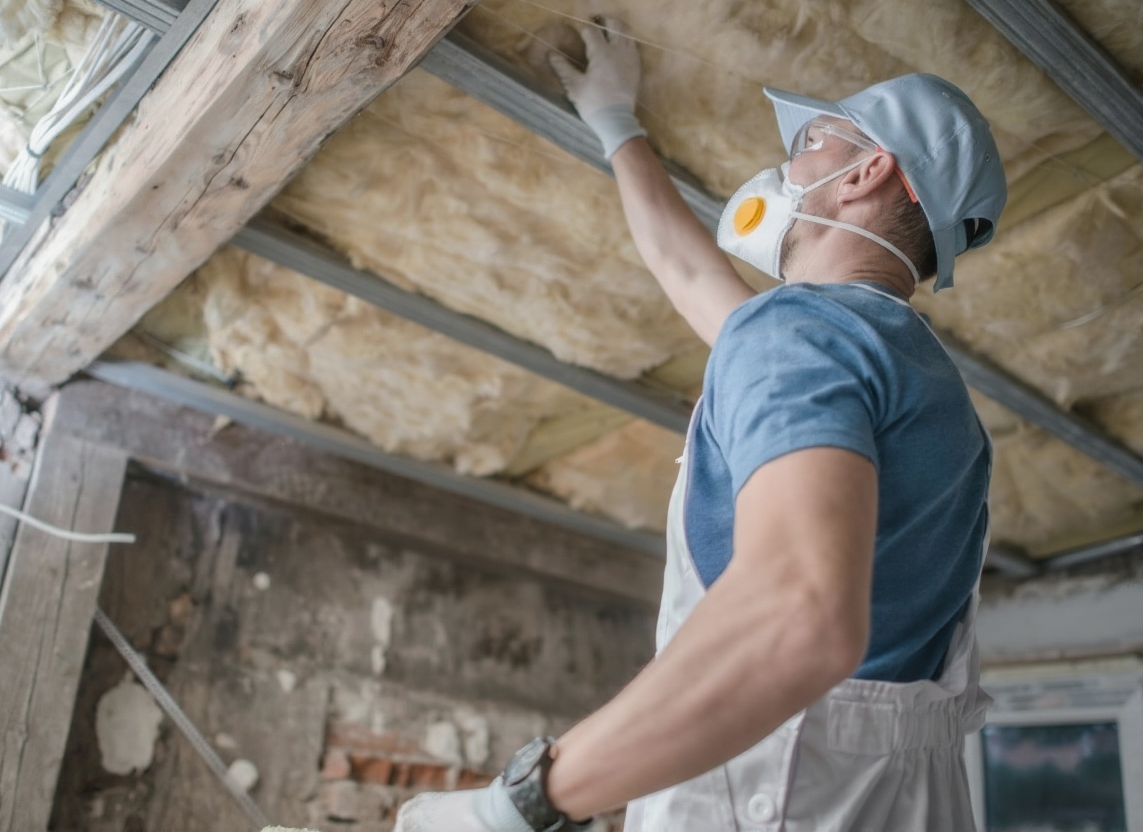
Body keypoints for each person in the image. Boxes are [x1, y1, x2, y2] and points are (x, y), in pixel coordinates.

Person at [395, 16, 1007, 832]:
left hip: (778, 794)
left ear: (867, 172)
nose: (787, 161)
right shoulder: (929, 393)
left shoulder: (800, 334)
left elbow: (798, 620)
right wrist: (617, 125)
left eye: (814, 140)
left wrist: (515, 806)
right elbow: (687, 272)